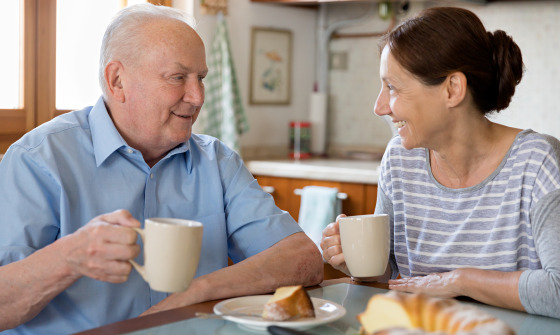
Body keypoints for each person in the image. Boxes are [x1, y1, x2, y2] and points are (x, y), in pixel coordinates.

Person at [0, 4, 323, 334]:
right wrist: (67, 258)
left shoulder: (218, 161)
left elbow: (304, 259)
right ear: (117, 81)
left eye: (201, 78)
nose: (197, 97)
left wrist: (196, 292)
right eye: (178, 78)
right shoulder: (38, 159)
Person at [321, 6, 560, 319]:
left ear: (452, 89)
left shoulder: (536, 161)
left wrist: (461, 280)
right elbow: (393, 277)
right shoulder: (400, 160)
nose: (379, 107)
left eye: (392, 87)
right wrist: (358, 263)